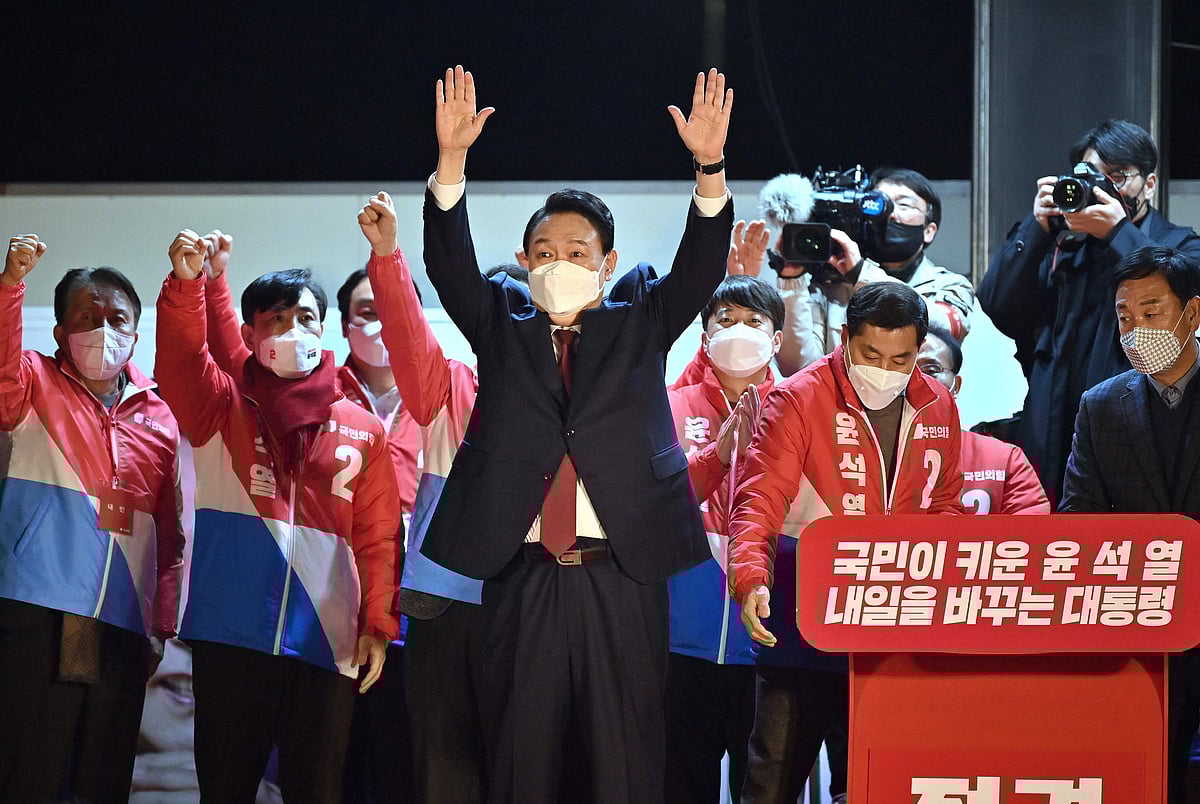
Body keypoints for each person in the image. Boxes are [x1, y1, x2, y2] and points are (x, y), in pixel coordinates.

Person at [408, 64, 732, 802]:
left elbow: (701, 265)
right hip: (520, 572)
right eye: (545, 252)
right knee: (520, 759)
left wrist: (708, 169)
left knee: (625, 760)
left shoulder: (641, 316)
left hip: (622, 569)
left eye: (578, 252)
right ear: (524, 263)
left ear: (607, 264)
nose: (560, 264)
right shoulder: (499, 320)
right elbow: (447, 263)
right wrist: (451, 163)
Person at [156, 236, 401, 803]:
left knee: (315, 790)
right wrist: (188, 289)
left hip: (326, 636)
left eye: (306, 317)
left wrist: (376, 625)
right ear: (248, 335)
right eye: (276, 319)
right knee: (226, 787)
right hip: (230, 632)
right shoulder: (222, 404)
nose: (294, 331)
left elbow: (379, 536)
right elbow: (180, 362)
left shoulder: (364, 429)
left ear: (326, 330)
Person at [728, 281, 964, 804]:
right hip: (803, 621)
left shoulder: (938, 405)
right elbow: (758, 499)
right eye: (871, 354)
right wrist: (750, 579)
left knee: (875, 786)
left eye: (902, 358)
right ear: (844, 337)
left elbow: (945, 506)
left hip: (893, 624)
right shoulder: (798, 397)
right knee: (772, 782)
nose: (886, 369)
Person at [0, 235, 186, 802]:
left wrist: (161, 621)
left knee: (104, 779)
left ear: (135, 332)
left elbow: (170, 532)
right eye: (88, 315)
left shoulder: (159, 415)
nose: (105, 329)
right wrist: (11, 286)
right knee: (29, 771)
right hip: (38, 610)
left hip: (122, 622)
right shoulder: (32, 382)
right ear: (60, 331)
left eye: (118, 318)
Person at [978, 119, 1200, 506]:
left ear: (1149, 184)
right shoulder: (1060, 245)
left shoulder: (1177, 243)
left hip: (1132, 421)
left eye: (1117, 177)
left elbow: (1184, 294)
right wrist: (1036, 227)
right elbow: (997, 304)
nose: (1103, 190)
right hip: (1050, 416)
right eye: (1093, 178)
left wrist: (1118, 233)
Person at [1058, 245, 1200, 804]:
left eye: (1151, 311)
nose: (1136, 328)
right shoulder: (1102, 405)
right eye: (1124, 316)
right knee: (1146, 779)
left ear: (1191, 314)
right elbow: (1078, 516)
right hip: (1144, 636)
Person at [664, 274, 778, 803]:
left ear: (777, 340)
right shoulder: (668, 404)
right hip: (678, 638)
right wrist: (718, 455)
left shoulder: (799, 409)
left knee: (763, 788)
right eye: (725, 321)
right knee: (681, 783)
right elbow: (652, 501)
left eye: (755, 322)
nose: (739, 331)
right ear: (705, 337)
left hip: (769, 644)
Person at [763, 168, 974, 377]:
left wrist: (862, 275)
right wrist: (792, 281)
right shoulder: (831, 287)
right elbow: (798, 368)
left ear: (929, 230)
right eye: (881, 203)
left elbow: (943, 328)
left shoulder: (951, 285)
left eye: (903, 204)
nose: (890, 213)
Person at [917, 323, 1051, 515]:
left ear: (956, 386)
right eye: (905, 372)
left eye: (931, 370)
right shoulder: (865, 460)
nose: (916, 382)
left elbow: (1032, 539)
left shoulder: (1005, 460)